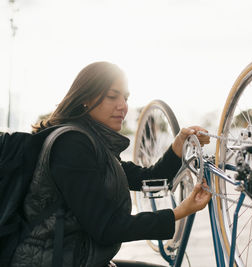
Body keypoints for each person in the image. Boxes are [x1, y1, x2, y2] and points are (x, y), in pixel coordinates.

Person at [10, 62, 211, 267]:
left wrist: (179, 143)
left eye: (125, 98)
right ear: (86, 99)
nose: (122, 105)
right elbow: (107, 228)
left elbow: (149, 178)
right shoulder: (72, 145)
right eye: (112, 96)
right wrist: (179, 212)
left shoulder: (92, 143)